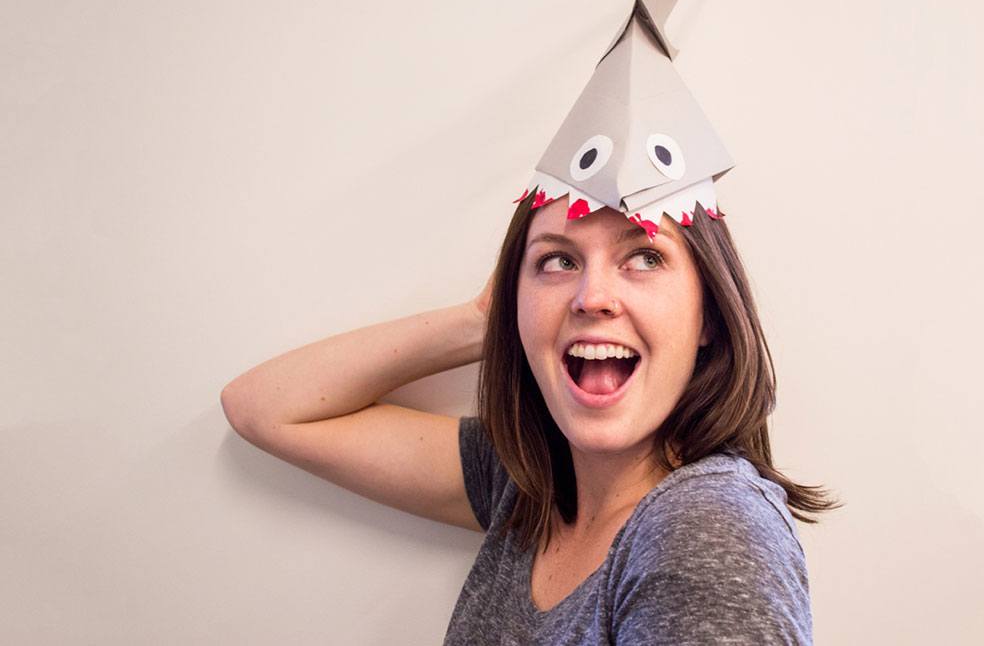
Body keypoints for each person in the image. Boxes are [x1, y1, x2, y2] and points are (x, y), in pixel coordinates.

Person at [221, 187, 839, 644]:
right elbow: (265, 408)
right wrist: (482, 322)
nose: (592, 297)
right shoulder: (525, 484)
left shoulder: (704, 529)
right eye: (558, 261)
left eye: (645, 257)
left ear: (709, 314)